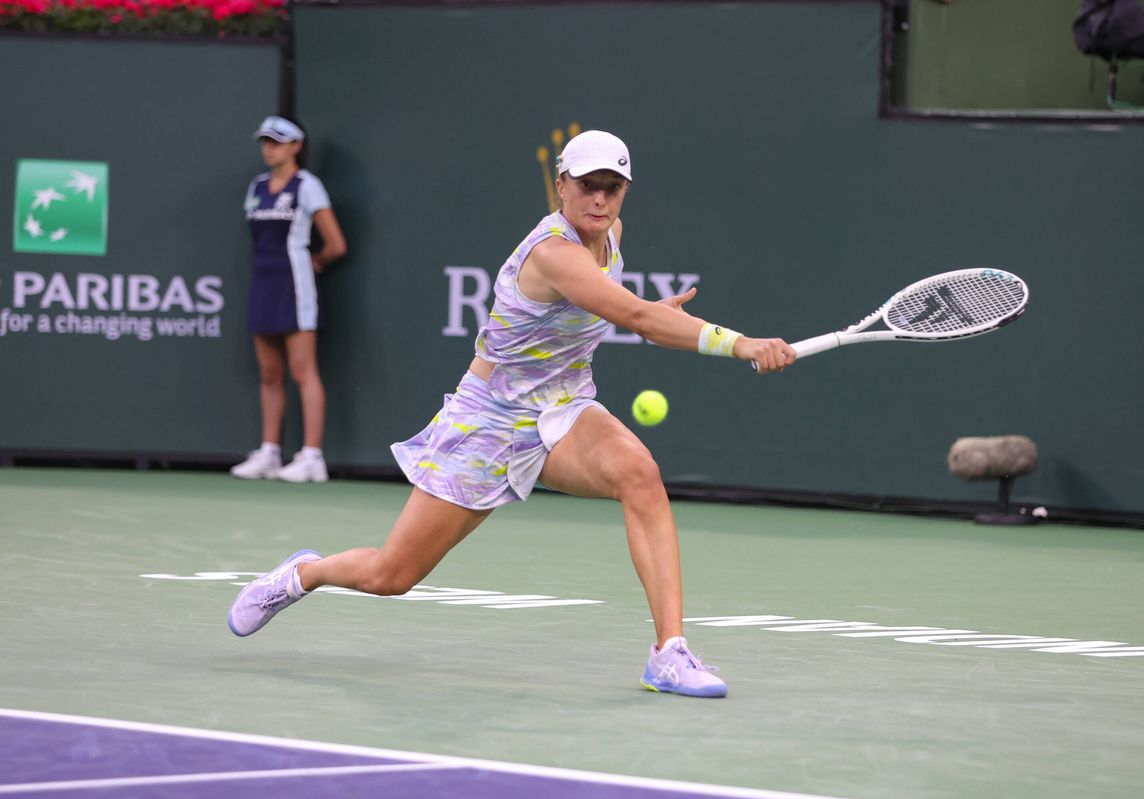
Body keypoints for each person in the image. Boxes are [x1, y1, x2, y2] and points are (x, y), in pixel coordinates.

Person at [228, 130, 796, 697]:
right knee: (390, 576)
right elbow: (638, 320)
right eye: (588, 186)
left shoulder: (611, 234)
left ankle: (668, 654)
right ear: (562, 186)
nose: (600, 200)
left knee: (640, 474)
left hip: (563, 408)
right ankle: (302, 575)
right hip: (489, 421)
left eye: (613, 188)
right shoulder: (553, 253)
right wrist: (741, 343)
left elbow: (632, 313)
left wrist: (651, 311)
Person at [230, 115, 347, 484]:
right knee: (269, 372)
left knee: (303, 370)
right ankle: (269, 451)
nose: (269, 148)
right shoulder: (257, 186)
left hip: (295, 285)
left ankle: (312, 456)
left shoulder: (307, 186)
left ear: (296, 146)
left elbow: (336, 244)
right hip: (262, 282)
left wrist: (317, 261)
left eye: (277, 142)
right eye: (265, 141)